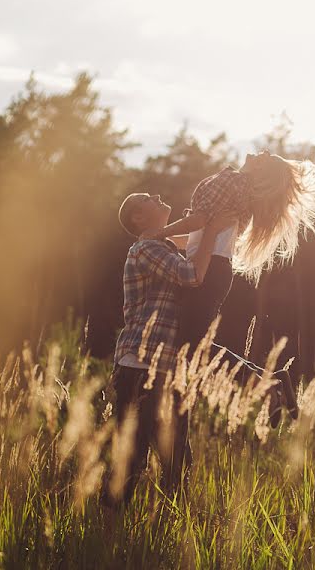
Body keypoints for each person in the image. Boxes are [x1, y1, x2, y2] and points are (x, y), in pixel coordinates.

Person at [147, 150, 315, 413]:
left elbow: (198, 221)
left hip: (209, 271)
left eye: (266, 156)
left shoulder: (233, 183)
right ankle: (272, 381)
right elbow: (198, 237)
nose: (264, 151)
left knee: (192, 347)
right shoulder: (241, 191)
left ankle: (267, 389)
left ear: (258, 169)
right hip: (216, 269)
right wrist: (165, 242)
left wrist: (159, 232)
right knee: (196, 345)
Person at [101, 192, 235, 508]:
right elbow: (192, 276)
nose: (159, 196)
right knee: (130, 459)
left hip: (169, 367)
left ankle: (164, 534)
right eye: (148, 198)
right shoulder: (146, 248)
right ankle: (107, 530)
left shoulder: (163, 246)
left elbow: (193, 237)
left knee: (176, 459)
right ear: (138, 217)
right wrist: (212, 231)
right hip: (141, 365)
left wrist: (213, 227)